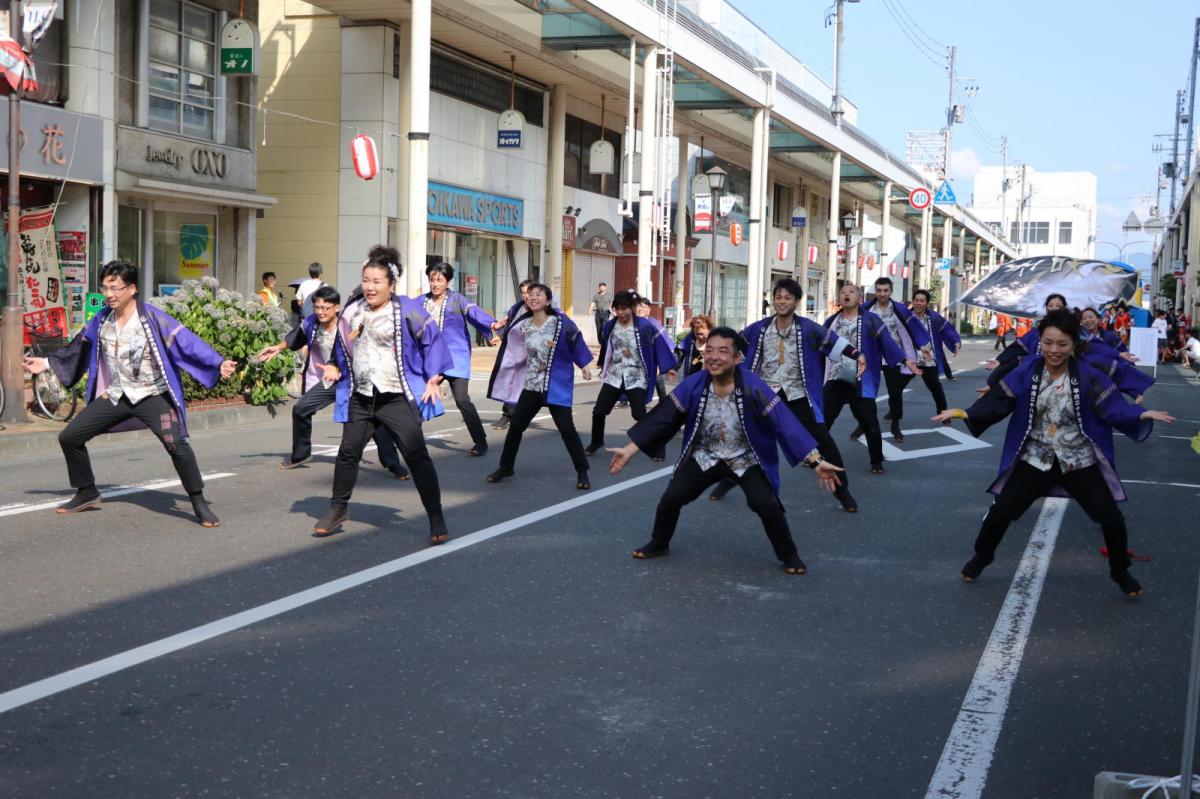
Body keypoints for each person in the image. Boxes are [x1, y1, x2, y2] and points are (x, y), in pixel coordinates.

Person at [933, 309, 1175, 597]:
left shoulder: (1088, 375)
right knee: (1000, 514)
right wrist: (966, 413)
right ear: (1040, 341)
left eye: (1062, 344)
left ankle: (1120, 570)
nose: (1054, 350)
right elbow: (1000, 399)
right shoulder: (1028, 370)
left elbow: (1112, 407)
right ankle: (982, 556)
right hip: (1036, 459)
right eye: (1048, 343)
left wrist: (1140, 413)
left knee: (1111, 519)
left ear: (1074, 345)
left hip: (1077, 461)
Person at [606, 326, 845, 576]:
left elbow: (784, 423)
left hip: (745, 458)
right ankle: (659, 543)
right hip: (705, 456)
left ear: (737, 358)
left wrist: (816, 461)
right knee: (671, 499)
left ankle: (789, 555)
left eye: (722, 351)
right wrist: (630, 449)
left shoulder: (753, 386)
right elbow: (663, 417)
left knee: (766, 504)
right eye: (709, 351)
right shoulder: (695, 384)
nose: (713, 357)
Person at [23, 260, 237, 527]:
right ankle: (87, 491)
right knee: (70, 437)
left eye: (115, 288)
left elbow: (187, 342)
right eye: (105, 288)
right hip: (117, 395)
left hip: (153, 394)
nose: (109, 294)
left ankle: (198, 501)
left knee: (177, 445)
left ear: (132, 288)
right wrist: (47, 363)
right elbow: (78, 347)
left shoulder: (153, 318)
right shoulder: (101, 320)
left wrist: (217, 362)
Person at [313, 246, 452, 542]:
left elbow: (432, 341)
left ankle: (435, 516)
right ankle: (338, 508)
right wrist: (335, 365)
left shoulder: (408, 309)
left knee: (416, 455)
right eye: (366, 280)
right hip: (362, 396)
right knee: (348, 453)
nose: (370, 287)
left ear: (391, 284)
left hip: (395, 396)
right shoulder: (353, 309)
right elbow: (341, 345)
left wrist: (433, 377)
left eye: (377, 281)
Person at [710, 277, 863, 512]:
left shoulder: (808, 328)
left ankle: (843, 493)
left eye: (787, 298)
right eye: (778, 297)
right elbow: (735, 342)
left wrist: (858, 355)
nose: (782, 302)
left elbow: (834, 342)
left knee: (824, 442)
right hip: (765, 394)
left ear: (796, 302)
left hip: (797, 395)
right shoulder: (761, 328)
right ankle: (728, 481)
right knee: (746, 440)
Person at [255, 285, 410, 478]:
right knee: (301, 408)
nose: (320, 312)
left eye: (325, 308)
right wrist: (277, 348)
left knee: (374, 421)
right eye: (317, 307)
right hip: (331, 379)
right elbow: (295, 338)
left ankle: (393, 464)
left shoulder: (348, 323)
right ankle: (301, 454)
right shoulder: (312, 323)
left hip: (356, 379)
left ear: (337, 307)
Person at [486, 282, 596, 489]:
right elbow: (511, 343)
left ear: (548, 300)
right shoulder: (524, 324)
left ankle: (582, 472)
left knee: (567, 430)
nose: (533, 297)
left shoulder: (560, 322)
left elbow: (575, 341)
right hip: (532, 385)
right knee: (516, 427)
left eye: (539, 294)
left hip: (556, 385)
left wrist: (584, 365)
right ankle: (506, 467)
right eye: (530, 294)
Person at [823, 284, 921, 474]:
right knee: (824, 419)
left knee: (869, 421)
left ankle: (876, 461)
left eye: (851, 292)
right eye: (843, 292)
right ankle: (815, 457)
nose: (846, 295)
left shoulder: (871, 319)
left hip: (862, 379)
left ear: (860, 298)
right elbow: (819, 344)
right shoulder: (832, 321)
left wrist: (905, 360)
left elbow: (887, 342)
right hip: (836, 376)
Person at [421, 261, 500, 456]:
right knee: (418, 398)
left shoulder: (458, 300)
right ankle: (408, 440)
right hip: (431, 359)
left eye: (439, 280)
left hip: (456, 357)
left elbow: (474, 313)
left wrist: (492, 326)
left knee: (462, 400)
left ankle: (480, 441)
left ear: (448, 281)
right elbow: (409, 323)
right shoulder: (421, 302)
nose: (435, 284)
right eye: (432, 280)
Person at [586, 291, 676, 459]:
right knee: (599, 411)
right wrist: (602, 365)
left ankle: (656, 446)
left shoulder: (644, 326)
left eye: (624, 308)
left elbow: (659, 345)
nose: (620, 312)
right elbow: (607, 348)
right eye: (617, 309)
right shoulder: (610, 326)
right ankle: (596, 441)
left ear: (632, 308)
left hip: (636, 375)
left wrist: (668, 367)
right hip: (615, 374)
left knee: (639, 414)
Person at [859, 277, 932, 443]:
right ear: (875, 291)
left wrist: (922, 345)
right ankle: (863, 424)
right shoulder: (866, 308)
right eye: (879, 290)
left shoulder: (899, 309)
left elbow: (913, 328)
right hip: (871, 356)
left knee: (895, 392)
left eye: (885, 290)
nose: (882, 293)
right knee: (865, 392)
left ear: (891, 291)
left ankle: (896, 424)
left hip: (892, 355)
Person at [898, 289, 960, 421]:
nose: (918, 303)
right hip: (910, 359)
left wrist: (956, 341)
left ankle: (943, 413)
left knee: (935, 387)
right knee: (897, 388)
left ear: (927, 303)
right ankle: (894, 412)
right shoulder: (906, 317)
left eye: (922, 301)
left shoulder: (934, 317)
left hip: (928, 359)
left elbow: (947, 329)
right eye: (916, 300)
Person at [491, 279, 537, 431]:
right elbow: (509, 328)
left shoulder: (540, 309)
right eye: (523, 293)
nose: (525, 296)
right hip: (514, 352)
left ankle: (518, 415)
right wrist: (500, 337)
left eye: (528, 293)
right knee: (511, 383)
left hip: (531, 353)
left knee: (526, 387)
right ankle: (508, 415)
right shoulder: (516, 308)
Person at [635, 295, 673, 404]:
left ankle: (663, 401)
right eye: (639, 306)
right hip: (637, 359)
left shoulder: (653, 323)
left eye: (645, 307)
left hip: (652, 359)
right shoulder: (633, 323)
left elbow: (665, 342)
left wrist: (660, 364)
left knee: (657, 378)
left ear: (649, 310)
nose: (641, 309)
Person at [675, 314, 712, 379]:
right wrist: (674, 368)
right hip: (690, 378)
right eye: (697, 334)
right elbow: (679, 353)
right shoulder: (689, 339)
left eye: (701, 334)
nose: (699, 337)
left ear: (709, 330)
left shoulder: (715, 341)